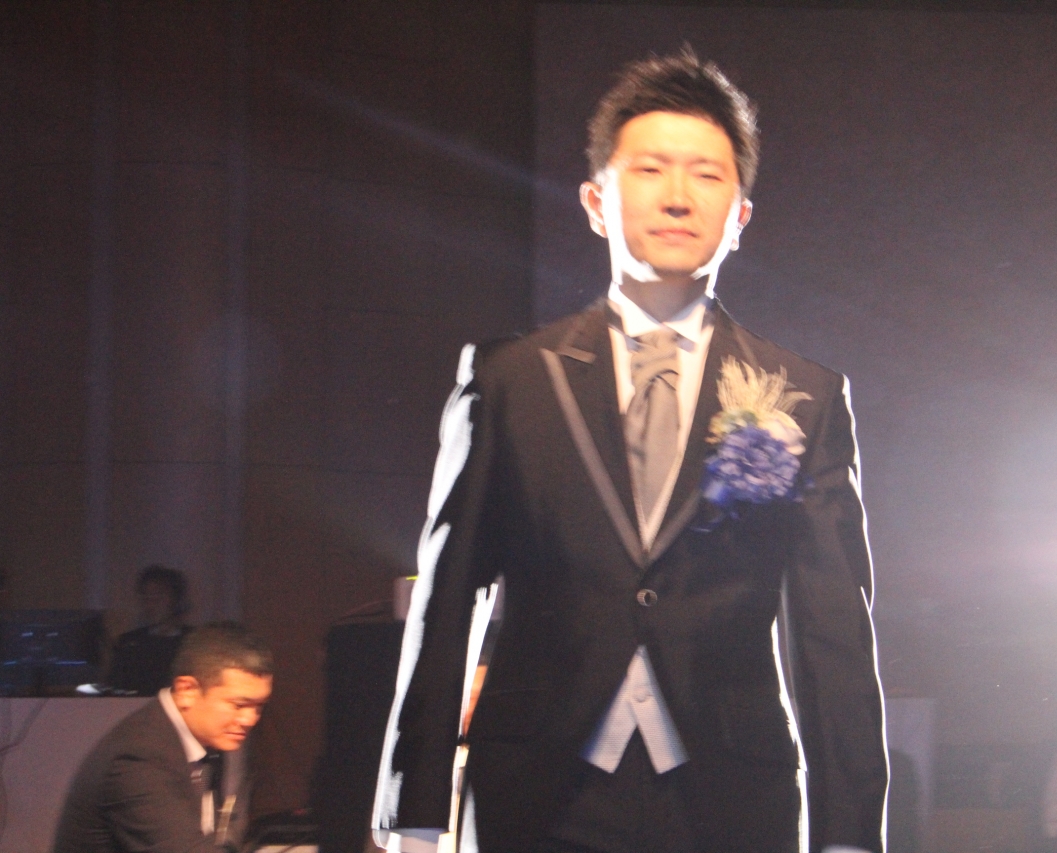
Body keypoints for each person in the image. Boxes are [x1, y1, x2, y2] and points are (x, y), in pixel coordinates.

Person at [375, 49, 887, 853]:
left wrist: (849, 835)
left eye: (707, 176)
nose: (678, 196)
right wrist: (414, 812)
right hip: (537, 793)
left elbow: (834, 633)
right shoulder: (511, 379)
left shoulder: (804, 397)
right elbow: (448, 602)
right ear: (595, 201)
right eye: (649, 169)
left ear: (740, 216)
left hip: (731, 797)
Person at [55, 622, 273, 853]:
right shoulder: (139, 758)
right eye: (239, 705)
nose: (250, 719)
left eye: (259, 706)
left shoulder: (207, 741)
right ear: (187, 690)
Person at [106, 564, 193, 695]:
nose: (151, 604)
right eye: (146, 598)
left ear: (176, 599)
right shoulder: (129, 644)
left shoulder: (194, 642)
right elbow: (114, 689)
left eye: (159, 597)